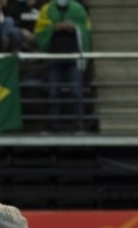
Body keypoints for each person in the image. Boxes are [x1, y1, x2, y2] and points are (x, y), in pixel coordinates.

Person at [35, 0, 92, 132]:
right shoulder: (47, 9)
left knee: (77, 92)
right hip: (54, 57)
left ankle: (79, 126)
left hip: (74, 57)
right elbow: (39, 30)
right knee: (53, 93)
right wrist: (54, 28)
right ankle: (53, 126)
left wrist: (75, 28)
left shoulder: (79, 9)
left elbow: (86, 29)